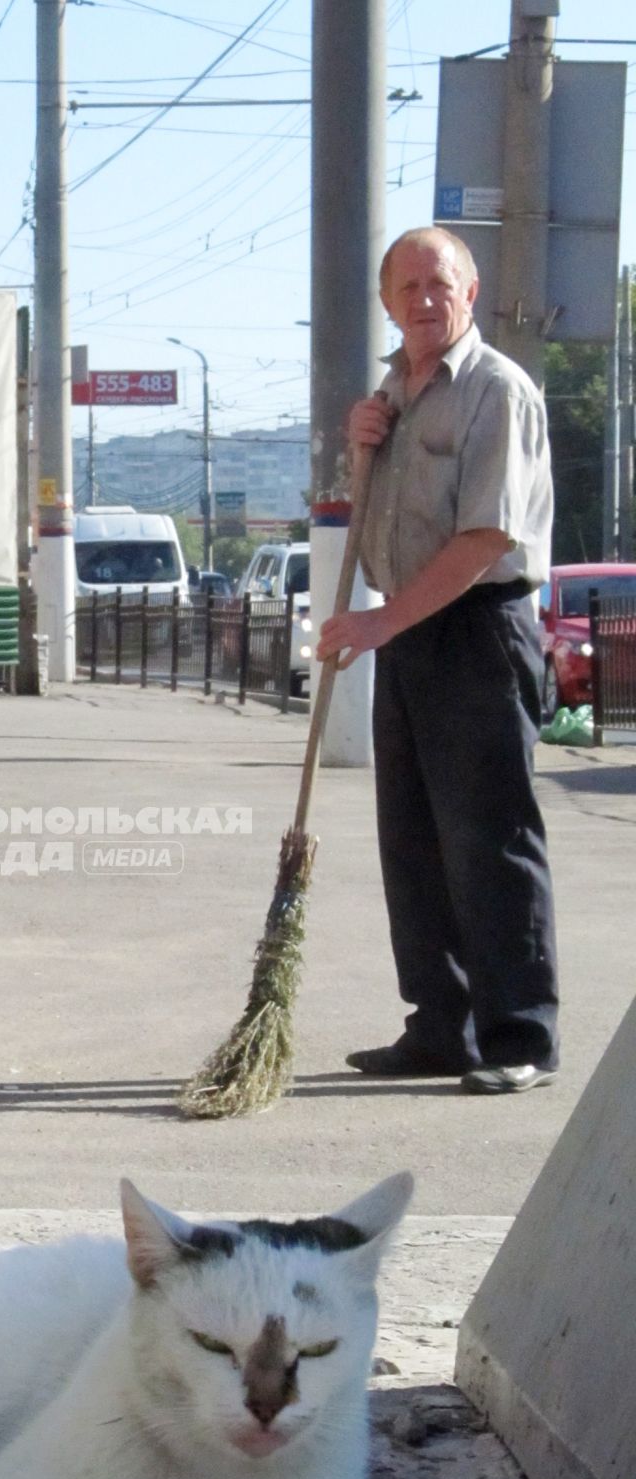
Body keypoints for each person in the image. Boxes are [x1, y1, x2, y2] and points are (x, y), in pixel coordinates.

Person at [316, 226, 559, 1096]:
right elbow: (383, 520)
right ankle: (440, 1025)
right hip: (412, 628)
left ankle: (518, 1034)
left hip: (477, 628)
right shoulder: (394, 392)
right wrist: (361, 445)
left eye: (439, 282)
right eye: (407, 285)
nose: (424, 298)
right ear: (387, 301)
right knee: (413, 842)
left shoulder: (497, 390)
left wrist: (382, 624)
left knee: (489, 838)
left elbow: (487, 535)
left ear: (471, 290)